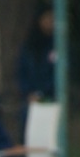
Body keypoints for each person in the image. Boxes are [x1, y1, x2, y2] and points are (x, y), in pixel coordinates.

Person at [17, 8, 57, 140]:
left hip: (51, 98)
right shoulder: (29, 46)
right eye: (48, 19)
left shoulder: (58, 45)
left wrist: (45, 93)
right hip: (31, 99)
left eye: (53, 19)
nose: (51, 23)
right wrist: (29, 93)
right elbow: (22, 72)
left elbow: (58, 75)